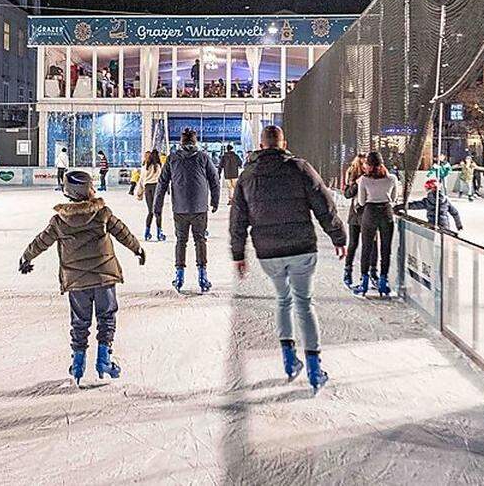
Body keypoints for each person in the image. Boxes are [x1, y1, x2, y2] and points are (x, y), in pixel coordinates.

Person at [230, 125, 346, 394]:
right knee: (304, 303)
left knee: (284, 300)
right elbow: (324, 204)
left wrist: (238, 253)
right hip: (302, 247)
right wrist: (338, 236)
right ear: (284, 143)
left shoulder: (248, 175)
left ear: (261, 146)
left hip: (269, 252)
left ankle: (289, 361)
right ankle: (315, 370)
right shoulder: (300, 168)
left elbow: (238, 219)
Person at [19, 170, 145, 385]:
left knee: (80, 321)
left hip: (77, 280)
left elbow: (41, 241)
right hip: (104, 275)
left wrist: (26, 258)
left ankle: (78, 362)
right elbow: (122, 232)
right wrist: (137, 249)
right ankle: (104, 359)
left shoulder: (59, 220)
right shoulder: (102, 213)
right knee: (106, 317)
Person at [154, 128, 220, 292]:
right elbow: (215, 180)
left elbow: (162, 183)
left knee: (181, 241)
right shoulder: (203, 157)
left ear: (181, 142)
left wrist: (157, 206)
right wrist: (215, 201)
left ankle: (179, 276)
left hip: (180, 208)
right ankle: (202, 276)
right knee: (200, 240)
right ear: (195, 141)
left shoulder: (173, 158)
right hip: (199, 208)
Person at [355, 151, 400, 297]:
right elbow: (394, 198)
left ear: (369, 165)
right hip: (386, 212)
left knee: (367, 247)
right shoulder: (391, 178)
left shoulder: (364, 180)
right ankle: (383, 281)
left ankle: (364, 281)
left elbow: (361, 201)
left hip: (370, 212)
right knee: (385, 248)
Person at [399, 177, 464, 234]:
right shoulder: (445, 200)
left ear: (431, 188)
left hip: (432, 225)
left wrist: (402, 206)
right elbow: (455, 213)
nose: (426, 190)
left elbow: (415, 205)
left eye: (427, 188)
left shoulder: (428, 201)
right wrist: (459, 226)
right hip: (444, 225)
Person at [340, 154, 366, 288]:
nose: (365, 165)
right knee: (353, 243)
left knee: (371, 244)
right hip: (356, 214)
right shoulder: (353, 173)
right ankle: (348, 270)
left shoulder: (374, 173)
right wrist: (357, 183)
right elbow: (347, 194)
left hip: (369, 214)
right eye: (363, 163)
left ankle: (370, 272)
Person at [134, 150, 165, 242]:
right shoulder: (158, 167)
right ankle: (159, 233)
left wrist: (140, 192)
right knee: (158, 212)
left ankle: (146, 233)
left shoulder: (145, 167)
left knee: (150, 211)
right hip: (156, 188)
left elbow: (141, 180)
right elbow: (162, 180)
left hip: (147, 188)